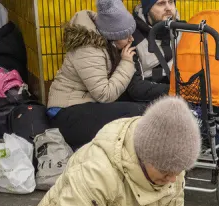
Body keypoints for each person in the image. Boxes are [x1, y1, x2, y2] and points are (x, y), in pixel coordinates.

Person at [35, 96, 200, 206]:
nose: (173, 179)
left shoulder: (174, 167)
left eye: (179, 171)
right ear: (144, 156)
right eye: (166, 172)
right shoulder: (99, 170)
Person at [46, 0, 150, 148]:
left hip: (84, 103)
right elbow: (104, 94)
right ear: (113, 36)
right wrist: (126, 62)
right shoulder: (88, 49)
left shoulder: (105, 39)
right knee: (136, 112)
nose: (131, 39)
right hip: (66, 114)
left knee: (138, 107)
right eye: (126, 35)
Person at [131, 0, 177, 90]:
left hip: (184, 91)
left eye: (171, 2)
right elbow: (135, 88)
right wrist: (176, 91)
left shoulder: (185, 30)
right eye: (161, 3)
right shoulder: (133, 37)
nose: (168, 8)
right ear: (147, 10)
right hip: (151, 96)